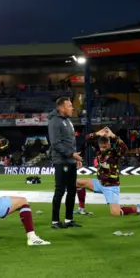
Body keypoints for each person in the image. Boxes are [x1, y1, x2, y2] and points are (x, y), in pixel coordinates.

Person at [75, 127, 140, 216]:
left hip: (111, 187)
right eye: (101, 147)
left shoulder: (114, 153)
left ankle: (136, 208)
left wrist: (113, 136)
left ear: (109, 145)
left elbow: (125, 148)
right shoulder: (98, 150)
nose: (103, 149)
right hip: (99, 183)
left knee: (115, 213)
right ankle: (81, 209)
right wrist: (97, 133)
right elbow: (86, 139)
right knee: (77, 183)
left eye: (105, 147)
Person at [48, 97, 83, 229]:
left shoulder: (68, 121)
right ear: (61, 108)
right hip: (61, 160)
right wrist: (71, 154)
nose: (72, 108)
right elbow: (55, 143)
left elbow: (70, 141)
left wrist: (74, 157)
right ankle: (55, 221)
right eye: (69, 106)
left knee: (72, 190)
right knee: (60, 190)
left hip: (70, 160)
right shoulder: (54, 122)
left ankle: (69, 219)